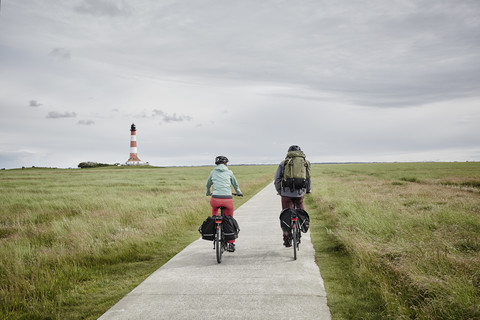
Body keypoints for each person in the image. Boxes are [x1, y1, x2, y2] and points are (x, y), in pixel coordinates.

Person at [274, 145, 311, 247]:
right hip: (300, 193)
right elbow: (308, 178)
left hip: (286, 194)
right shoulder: (305, 163)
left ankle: (287, 239)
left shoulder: (284, 163)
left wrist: (280, 191)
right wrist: (307, 190)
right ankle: (302, 224)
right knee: (300, 206)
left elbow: (277, 179)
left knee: (286, 214)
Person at [206, 155, 243, 252]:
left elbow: (208, 184)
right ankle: (230, 243)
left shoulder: (213, 172)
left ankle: (214, 230)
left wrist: (208, 192)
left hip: (215, 199)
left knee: (214, 211)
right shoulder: (229, 172)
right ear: (226, 163)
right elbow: (235, 184)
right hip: (227, 199)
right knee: (229, 220)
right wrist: (239, 192)